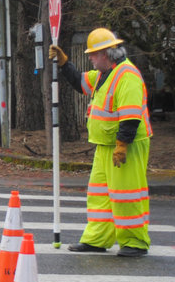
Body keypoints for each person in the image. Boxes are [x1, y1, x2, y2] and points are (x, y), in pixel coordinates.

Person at [49, 28, 153, 257]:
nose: (90, 57)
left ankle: (135, 241)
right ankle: (97, 239)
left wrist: (122, 146)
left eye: (93, 54)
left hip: (126, 147)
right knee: (99, 194)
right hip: (106, 146)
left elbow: (131, 116)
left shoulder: (128, 76)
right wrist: (64, 63)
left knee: (126, 194)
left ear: (106, 53)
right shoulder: (106, 74)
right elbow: (81, 83)